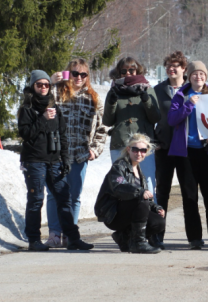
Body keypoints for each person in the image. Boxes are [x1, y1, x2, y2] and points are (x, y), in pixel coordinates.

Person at [17, 70, 94, 251]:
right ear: (33, 86)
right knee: (36, 199)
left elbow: (63, 135)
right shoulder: (27, 109)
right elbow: (26, 135)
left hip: (54, 161)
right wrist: (43, 119)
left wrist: (65, 159)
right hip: (34, 160)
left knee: (64, 197)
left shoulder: (54, 107)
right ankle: (34, 240)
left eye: (46, 85)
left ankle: (73, 238)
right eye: (39, 85)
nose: (43, 88)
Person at [44, 59, 108, 248]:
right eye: (74, 73)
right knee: (53, 194)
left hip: (80, 154)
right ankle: (54, 234)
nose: (79, 78)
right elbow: (38, 106)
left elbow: (103, 127)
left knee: (74, 196)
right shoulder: (55, 92)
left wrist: (95, 149)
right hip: (56, 154)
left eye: (83, 74)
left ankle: (70, 235)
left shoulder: (93, 97)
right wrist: (50, 82)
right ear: (68, 73)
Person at [168, 61, 208, 250]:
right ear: (189, 76)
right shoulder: (181, 95)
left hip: (207, 152)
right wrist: (187, 106)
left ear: (206, 77)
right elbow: (172, 119)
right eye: (195, 74)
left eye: (202, 74)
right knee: (189, 198)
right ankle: (194, 238)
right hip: (185, 154)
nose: (198, 77)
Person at [95, 133, 165, 254]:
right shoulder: (119, 166)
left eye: (143, 150)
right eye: (135, 149)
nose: (139, 153)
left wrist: (156, 207)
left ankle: (124, 237)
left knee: (158, 222)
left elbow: (146, 197)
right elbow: (119, 187)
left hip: (128, 210)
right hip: (112, 214)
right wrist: (140, 192)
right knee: (140, 198)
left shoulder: (139, 171)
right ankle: (139, 243)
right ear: (129, 149)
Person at [103, 57, 161, 203]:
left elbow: (156, 117)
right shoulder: (114, 89)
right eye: (124, 71)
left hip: (143, 147)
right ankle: (126, 222)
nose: (128, 73)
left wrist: (146, 99)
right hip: (120, 144)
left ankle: (150, 219)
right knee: (123, 186)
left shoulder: (147, 88)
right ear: (119, 73)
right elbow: (107, 121)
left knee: (148, 183)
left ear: (138, 70)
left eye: (131, 70)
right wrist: (111, 102)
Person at [153, 51, 188, 247]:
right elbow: (150, 118)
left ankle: (194, 238)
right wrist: (152, 141)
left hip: (186, 149)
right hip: (164, 148)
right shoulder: (157, 90)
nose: (172, 69)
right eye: (168, 66)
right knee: (162, 193)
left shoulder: (192, 89)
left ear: (184, 68)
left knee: (188, 193)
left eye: (176, 65)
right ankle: (158, 236)